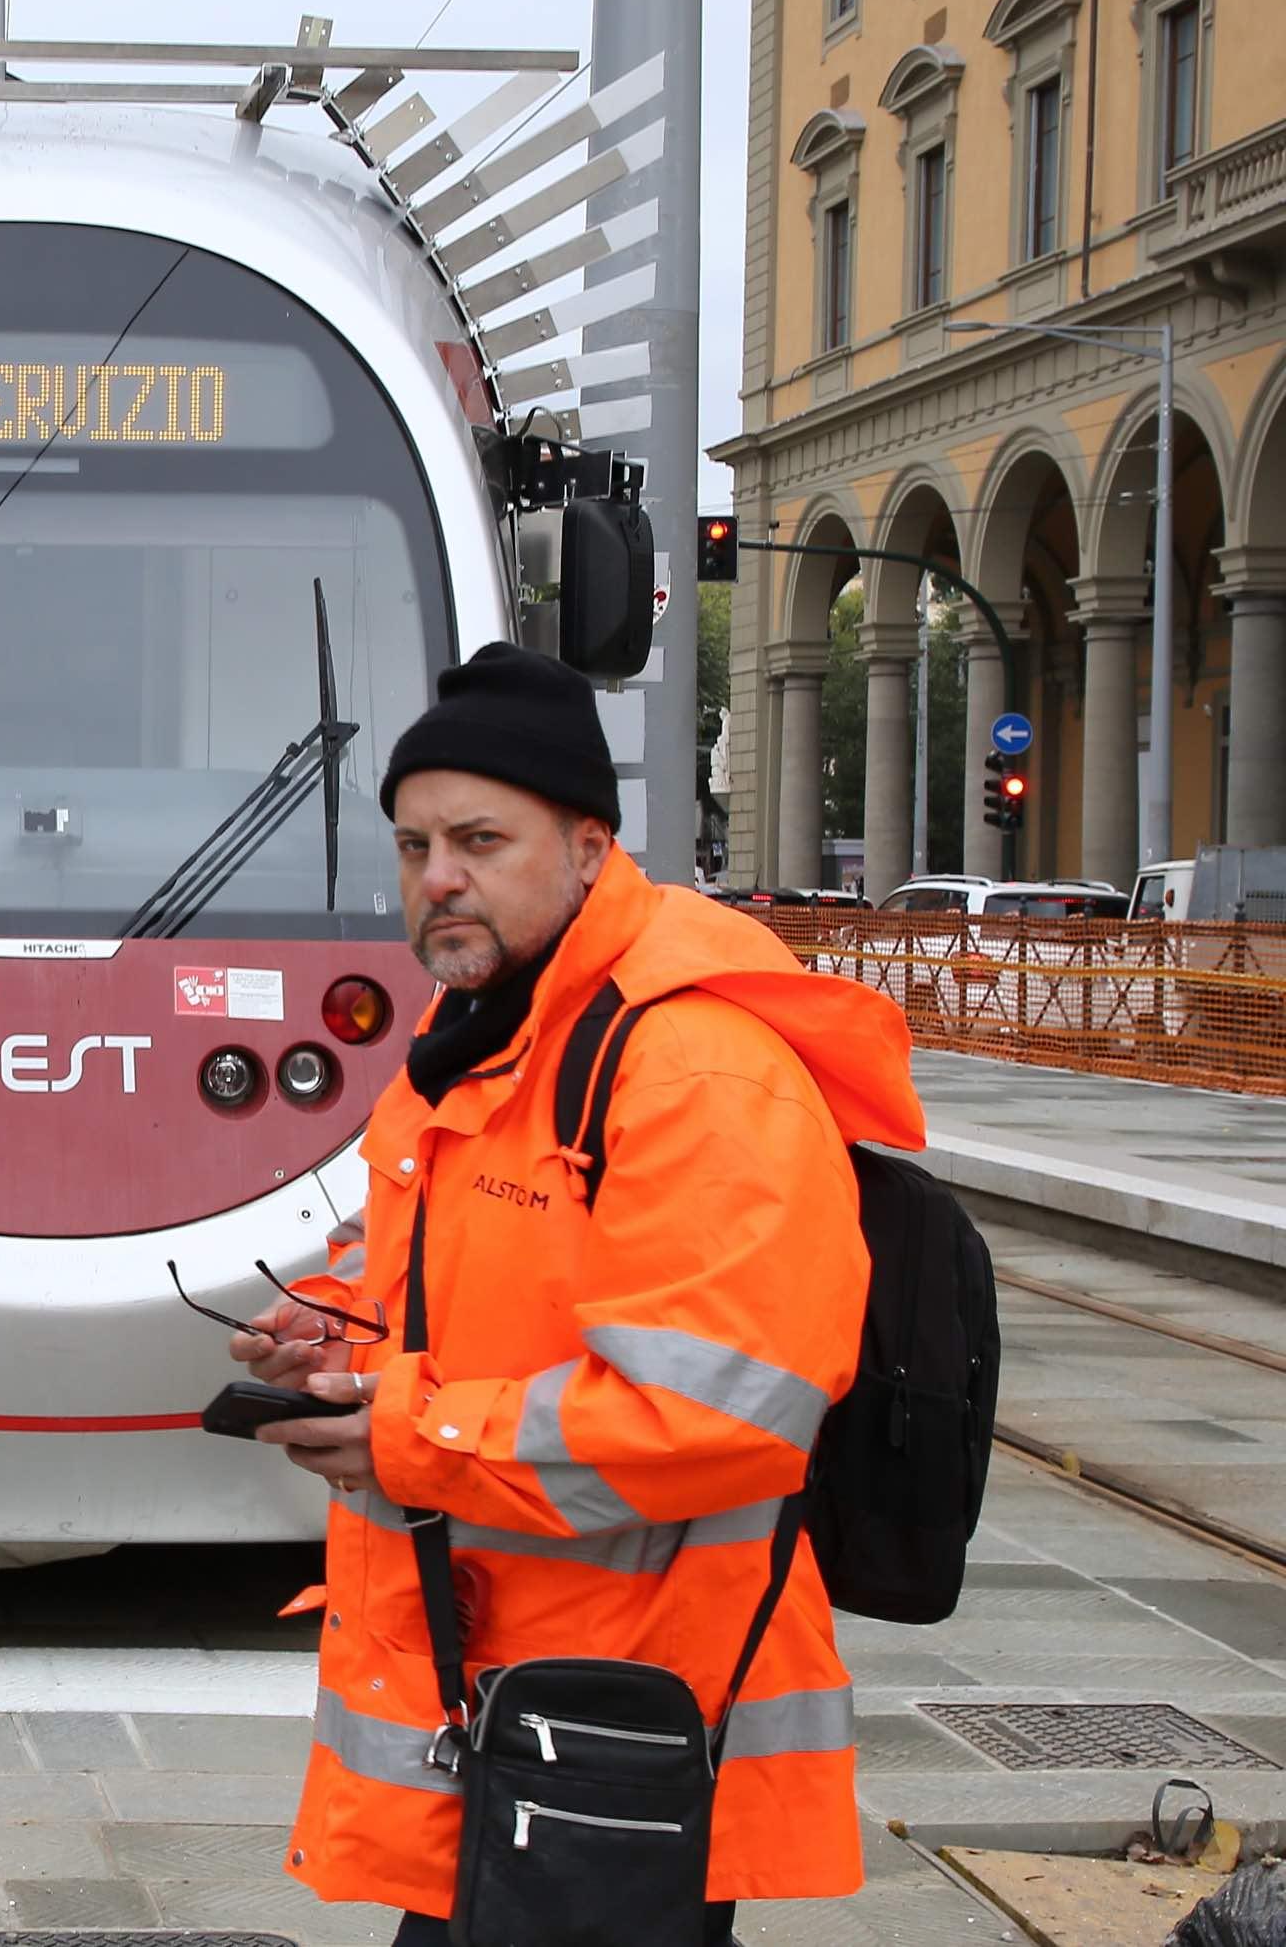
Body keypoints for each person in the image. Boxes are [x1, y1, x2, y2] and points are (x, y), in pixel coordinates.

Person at [229, 643, 922, 1945]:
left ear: (592, 849)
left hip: (629, 1723)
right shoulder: (487, 1044)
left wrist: (405, 1430)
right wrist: (338, 1328)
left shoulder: (689, 1069)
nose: (439, 878)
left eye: (482, 838)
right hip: (511, 1705)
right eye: (413, 843)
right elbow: (463, 1292)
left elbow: (718, 1413)